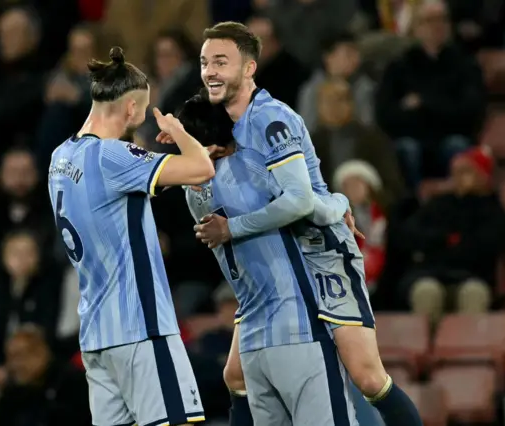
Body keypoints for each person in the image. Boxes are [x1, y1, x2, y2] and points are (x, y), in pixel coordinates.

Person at [188, 22, 422, 426]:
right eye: (205, 61)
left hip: (320, 253)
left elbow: (298, 201)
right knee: (235, 374)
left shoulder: (271, 118)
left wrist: (333, 206)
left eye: (221, 61)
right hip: (278, 260)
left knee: (367, 376)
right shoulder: (222, 121)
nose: (210, 70)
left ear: (249, 68)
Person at [47, 46, 215, 426]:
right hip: (140, 325)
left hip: (96, 335)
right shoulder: (113, 156)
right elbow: (201, 168)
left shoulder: (60, 158)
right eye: (143, 111)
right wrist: (179, 131)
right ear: (129, 110)